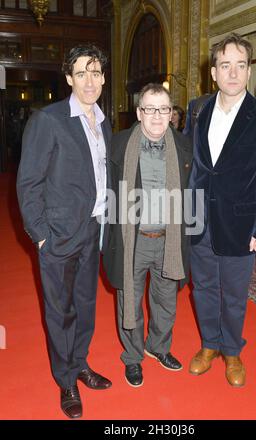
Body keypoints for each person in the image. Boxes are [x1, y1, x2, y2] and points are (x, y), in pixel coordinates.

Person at [17, 44, 112, 418]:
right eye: (81, 73)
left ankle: (81, 363)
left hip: (92, 230)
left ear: (103, 78)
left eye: (95, 72)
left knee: (86, 305)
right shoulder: (49, 119)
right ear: (70, 78)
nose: (89, 80)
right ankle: (66, 379)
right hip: (57, 234)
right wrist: (41, 233)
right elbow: (28, 183)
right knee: (59, 311)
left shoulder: (103, 121)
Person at [189, 33, 256, 387]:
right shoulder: (197, 108)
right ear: (213, 72)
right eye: (225, 65)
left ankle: (232, 350)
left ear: (248, 70)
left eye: (240, 66)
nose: (232, 73)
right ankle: (209, 345)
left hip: (242, 223)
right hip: (199, 218)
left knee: (233, 293)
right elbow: (194, 168)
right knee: (203, 288)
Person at [103, 83, 192, 387]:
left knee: (166, 300)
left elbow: (194, 194)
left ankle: (159, 347)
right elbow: (107, 194)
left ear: (172, 114)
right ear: (139, 112)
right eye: (150, 108)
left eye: (163, 108)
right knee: (129, 298)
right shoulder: (118, 145)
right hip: (133, 240)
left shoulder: (183, 146)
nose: (157, 116)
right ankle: (132, 357)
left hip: (169, 239)